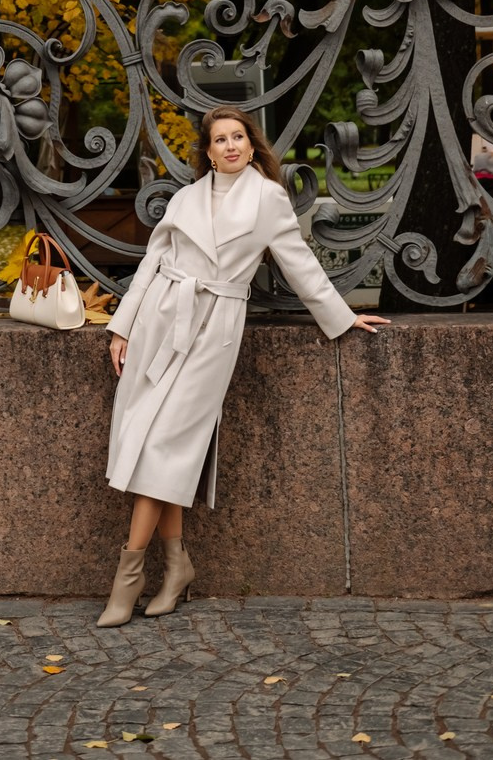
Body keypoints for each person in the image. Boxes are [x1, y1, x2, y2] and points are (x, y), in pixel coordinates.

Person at [98, 107, 389, 625]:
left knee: (161, 445)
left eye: (238, 137)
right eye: (219, 139)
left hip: (213, 331)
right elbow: (150, 263)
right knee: (159, 449)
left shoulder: (268, 199)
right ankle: (176, 566)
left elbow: (299, 262)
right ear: (207, 152)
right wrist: (122, 326)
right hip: (161, 322)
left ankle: (127, 580)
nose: (230, 146)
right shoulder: (185, 199)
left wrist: (342, 317)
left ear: (252, 147)